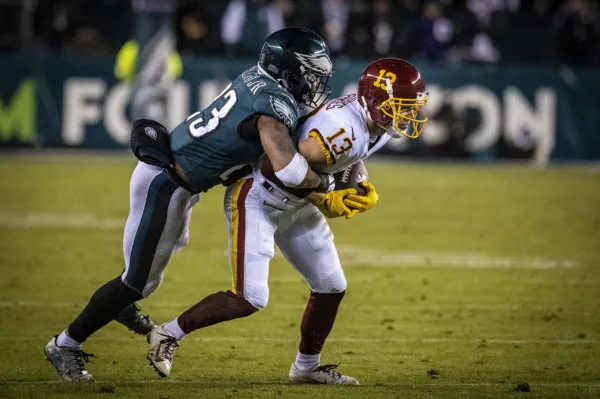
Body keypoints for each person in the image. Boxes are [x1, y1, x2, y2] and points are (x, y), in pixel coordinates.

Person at [44, 27, 348, 382]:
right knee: (136, 282)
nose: (314, 82)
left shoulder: (259, 80)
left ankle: (118, 305)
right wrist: (327, 183)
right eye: (309, 73)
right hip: (165, 184)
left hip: (181, 184)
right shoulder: (272, 105)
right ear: (287, 70)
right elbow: (290, 170)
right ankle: (65, 344)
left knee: (142, 278)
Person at [145, 58, 429, 385]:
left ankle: (306, 367)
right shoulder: (342, 129)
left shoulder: (372, 124)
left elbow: (352, 159)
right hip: (259, 198)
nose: (409, 115)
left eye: (412, 107)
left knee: (331, 286)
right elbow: (276, 166)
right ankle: (167, 334)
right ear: (376, 102)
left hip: (295, 206)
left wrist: (359, 181)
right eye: (403, 106)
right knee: (249, 297)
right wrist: (325, 194)